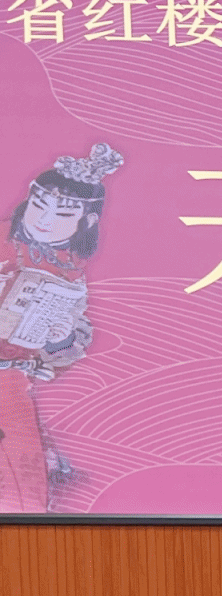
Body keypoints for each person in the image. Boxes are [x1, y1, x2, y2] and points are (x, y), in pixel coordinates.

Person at [0, 143, 121, 511]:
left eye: (62, 213)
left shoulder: (69, 272)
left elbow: (62, 355)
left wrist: (61, 337)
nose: (44, 220)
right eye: (39, 205)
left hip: (11, 385)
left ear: (87, 221)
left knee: (21, 487)